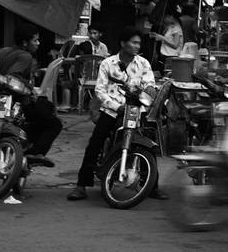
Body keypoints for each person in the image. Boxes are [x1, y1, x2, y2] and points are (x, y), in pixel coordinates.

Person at [67, 26, 166, 201]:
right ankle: (81, 185)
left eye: (139, 43)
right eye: (134, 42)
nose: (137, 46)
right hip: (111, 110)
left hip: (136, 110)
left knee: (146, 144)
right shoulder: (108, 63)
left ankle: (152, 186)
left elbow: (150, 87)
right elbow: (100, 90)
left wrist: (145, 99)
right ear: (123, 43)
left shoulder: (143, 64)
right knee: (94, 144)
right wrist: (115, 106)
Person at [0, 24, 63, 167]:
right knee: (55, 124)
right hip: (18, 101)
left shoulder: (4, 51)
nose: (38, 43)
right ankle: (35, 153)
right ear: (25, 42)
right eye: (35, 40)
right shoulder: (26, 56)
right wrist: (31, 88)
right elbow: (13, 76)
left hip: (1, 99)